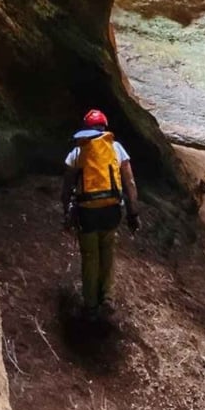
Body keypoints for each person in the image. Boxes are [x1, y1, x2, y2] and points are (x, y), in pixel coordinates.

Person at [62, 109, 140, 318]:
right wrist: (133, 213)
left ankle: (91, 305)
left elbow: (67, 186)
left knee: (90, 257)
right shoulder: (116, 148)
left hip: (87, 213)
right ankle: (107, 297)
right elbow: (130, 183)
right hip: (111, 211)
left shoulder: (78, 152)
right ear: (104, 127)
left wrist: (66, 211)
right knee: (108, 253)